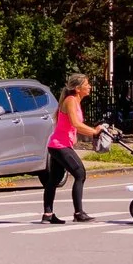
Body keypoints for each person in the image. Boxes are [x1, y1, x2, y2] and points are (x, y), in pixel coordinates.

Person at [39, 73, 107, 224]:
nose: (89, 87)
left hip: (59, 145)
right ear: (77, 88)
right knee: (80, 174)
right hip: (60, 146)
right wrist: (94, 132)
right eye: (87, 84)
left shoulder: (75, 100)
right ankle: (78, 213)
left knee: (54, 179)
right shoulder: (70, 100)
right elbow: (75, 123)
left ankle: (48, 214)